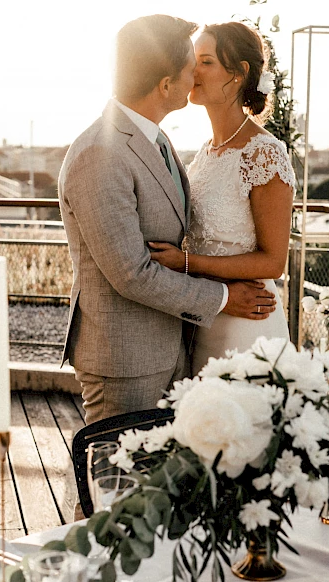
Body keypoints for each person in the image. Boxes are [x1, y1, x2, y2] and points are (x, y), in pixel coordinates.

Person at [59, 15, 277, 425]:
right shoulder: (99, 152)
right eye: (191, 66)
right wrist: (225, 298)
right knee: (114, 467)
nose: (195, 75)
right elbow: (132, 274)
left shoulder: (157, 139)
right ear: (165, 85)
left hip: (179, 346)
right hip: (125, 360)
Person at [148, 21, 296, 373]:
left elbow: (273, 262)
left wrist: (186, 263)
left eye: (206, 61)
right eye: (193, 59)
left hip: (247, 323)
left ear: (238, 73)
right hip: (205, 318)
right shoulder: (206, 152)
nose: (192, 69)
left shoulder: (264, 154)